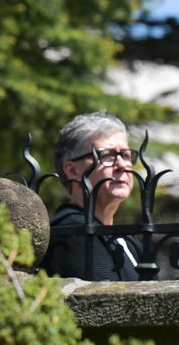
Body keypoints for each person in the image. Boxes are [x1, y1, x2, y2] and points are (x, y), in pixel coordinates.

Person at [41, 111, 147, 281]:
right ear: (72, 170)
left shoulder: (128, 240)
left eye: (126, 155)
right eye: (107, 155)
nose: (121, 165)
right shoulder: (73, 234)